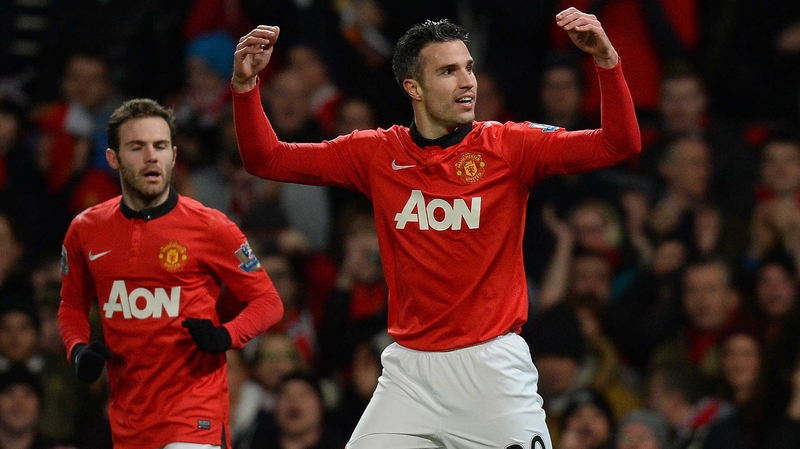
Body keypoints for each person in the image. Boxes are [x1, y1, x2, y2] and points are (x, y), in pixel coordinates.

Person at [231, 6, 641, 448]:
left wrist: (607, 62)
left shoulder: (511, 146)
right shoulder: (375, 153)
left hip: (492, 373)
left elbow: (620, 143)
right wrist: (244, 87)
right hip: (409, 375)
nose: (467, 81)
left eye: (468, 68)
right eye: (448, 71)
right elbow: (265, 158)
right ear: (414, 87)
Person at [57, 98, 285, 449]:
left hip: (195, 416)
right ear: (113, 158)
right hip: (128, 419)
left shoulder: (212, 227)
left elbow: (268, 301)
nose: (151, 156)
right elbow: (71, 304)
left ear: (174, 156)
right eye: (137, 147)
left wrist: (227, 336)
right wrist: (77, 351)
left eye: (160, 146)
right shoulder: (85, 230)